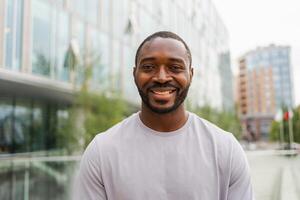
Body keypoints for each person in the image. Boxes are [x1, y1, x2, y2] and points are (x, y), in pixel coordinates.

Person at [74, 31, 254, 200]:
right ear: (135, 74)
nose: (161, 77)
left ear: (190, 75)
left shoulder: (226, 149)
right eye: (149, 67)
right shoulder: (101, 151)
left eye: (175, 67)